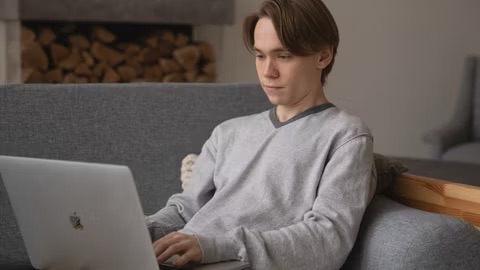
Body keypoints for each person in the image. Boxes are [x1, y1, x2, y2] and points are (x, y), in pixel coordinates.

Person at [146, 0, 376, 269]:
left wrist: (214, 247)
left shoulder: (345, 136)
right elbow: (185, 210)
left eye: (283, 56)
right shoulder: (228, 132)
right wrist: (134, 228)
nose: (268, 72)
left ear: (323, 56)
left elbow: (328, 240)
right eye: (260, 55)